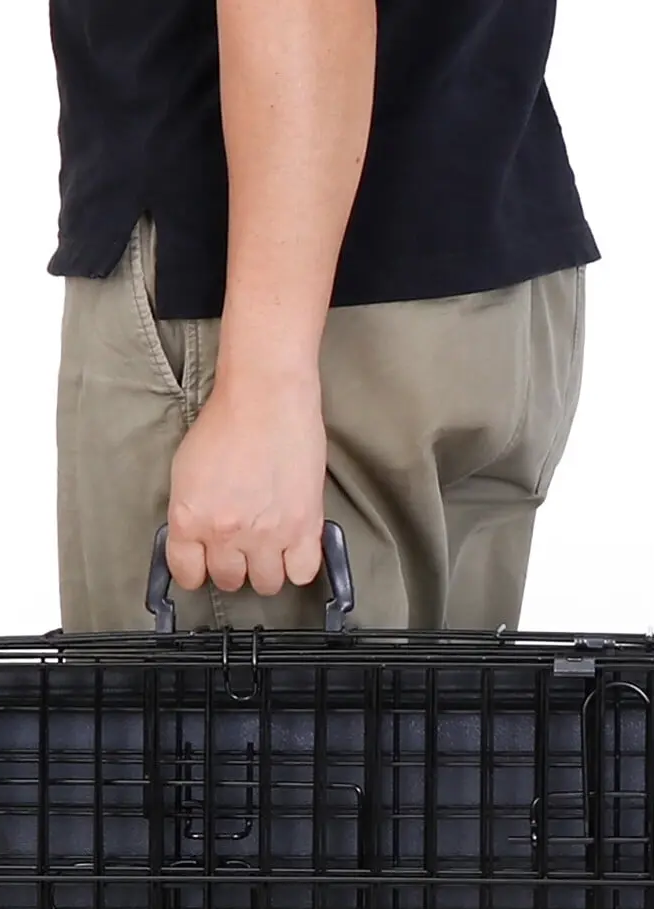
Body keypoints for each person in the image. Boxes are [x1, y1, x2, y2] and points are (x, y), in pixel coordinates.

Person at [50, 1, 599, 633]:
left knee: (209, 697)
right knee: (439, 697)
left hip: (260, 300)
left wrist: (264, 385)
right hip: (488, 265)